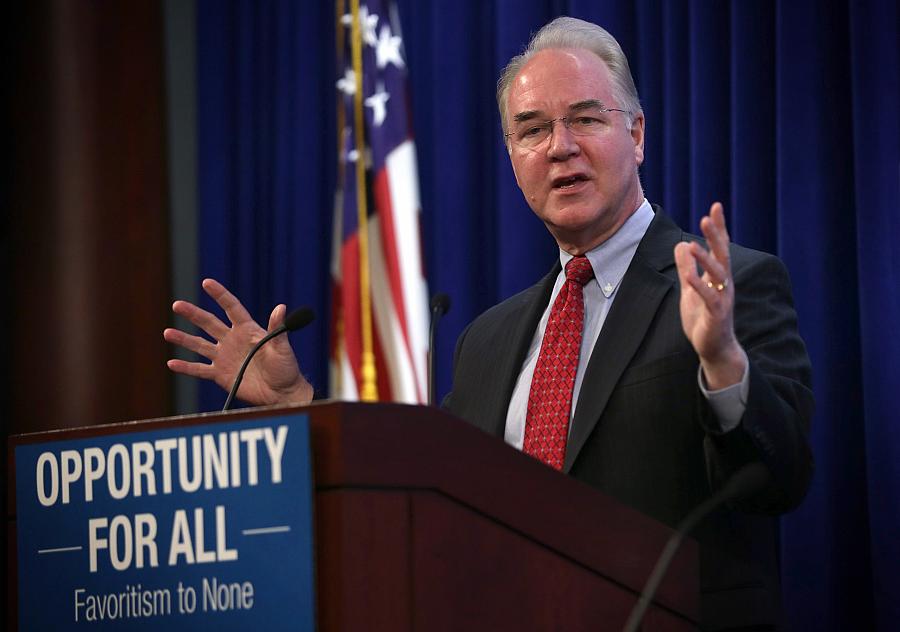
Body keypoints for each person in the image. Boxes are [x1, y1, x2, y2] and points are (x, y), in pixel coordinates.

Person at [165, 17, 813, 631]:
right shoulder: (488, 340)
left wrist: (723, 360)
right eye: (532, 130)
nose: (560, 147)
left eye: (586, 118)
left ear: (637, 135)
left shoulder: (728, 289)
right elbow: (425, 482)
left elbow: (780, 479)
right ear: (511, 154)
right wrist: (297, 400)